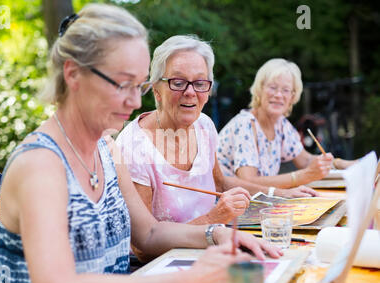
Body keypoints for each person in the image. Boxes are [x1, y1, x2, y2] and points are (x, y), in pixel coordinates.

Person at [0, 4, 279, 283]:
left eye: (137, 86)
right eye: (122, 84)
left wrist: (216, 233)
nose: (135, 103)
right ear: (73, 74)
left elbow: (148, 234)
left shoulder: (106, 148)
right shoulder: (39, 165)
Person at [115, 35, 309, 260]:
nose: (190, 92)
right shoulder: (133, 147)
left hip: (213, 249)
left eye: (199, 83)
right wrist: (213, 221)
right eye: (178, 82)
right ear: (157, 88)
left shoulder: (204, 125)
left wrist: (283, 195)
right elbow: (142, 250)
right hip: (164, 267)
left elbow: (222, 182)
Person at [217, 58, 355, 189]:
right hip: (224, 206)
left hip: (252, 203)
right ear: (259, 90)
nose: (278, 95)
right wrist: (302, 176)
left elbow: (305, 161)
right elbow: (248, 182)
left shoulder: (281, 124)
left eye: (286, 90)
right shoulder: (245, 124)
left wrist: (341, 163)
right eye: (272, 87)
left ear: (292, 97)